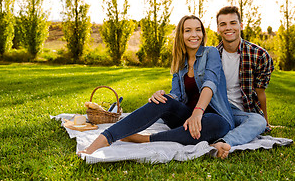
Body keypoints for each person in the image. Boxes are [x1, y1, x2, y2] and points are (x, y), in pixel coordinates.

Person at [79, 15, 235, 155]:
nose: (194, 35)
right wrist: (162, 97)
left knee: (212, 123)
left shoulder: (211, 53)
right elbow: (176, 95)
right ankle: (106, 138)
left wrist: (198, 113)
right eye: (188, 30)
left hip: (214, 118)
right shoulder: (179, 62)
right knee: (162, 100)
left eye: (198, 30)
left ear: (203, 33)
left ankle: (144, 139)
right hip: (187, 119)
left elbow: (210, 84)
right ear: (181, 35)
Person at [211, 5, 274, 159]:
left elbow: (261, 92)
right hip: (218, 110)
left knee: (258, 122)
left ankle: (223, 142)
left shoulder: (259, 55)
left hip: (242, 112)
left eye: (233, 23)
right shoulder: (211, 56)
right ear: (218, 29)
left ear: (241, 25)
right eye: (223, 24)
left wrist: (265, 122)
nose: (228, 28)